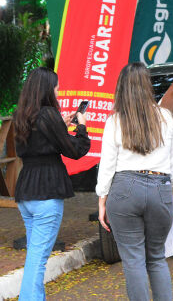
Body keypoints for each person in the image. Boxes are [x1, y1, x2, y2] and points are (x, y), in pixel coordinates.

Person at [96, 63, 173, 301]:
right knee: (156, 257)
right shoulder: (166, 118)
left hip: (124, 189)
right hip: (161, 188)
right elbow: (172, 166)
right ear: (147, 86)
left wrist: (102, 200)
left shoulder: (115, 121)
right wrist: (172, 199)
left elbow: (107, 165)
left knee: (133, 260)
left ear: (121, 88)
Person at [12, 68, 91, 300]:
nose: (57, 91)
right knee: (38, 260)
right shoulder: (49, 114)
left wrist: (60, 126)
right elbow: (75, 150)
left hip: (26, 192)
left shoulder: (21, 115)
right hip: (47, 192)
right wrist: (82, 127)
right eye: (56, 87)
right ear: (47, 88)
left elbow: (36, 145)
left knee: (34, 257)